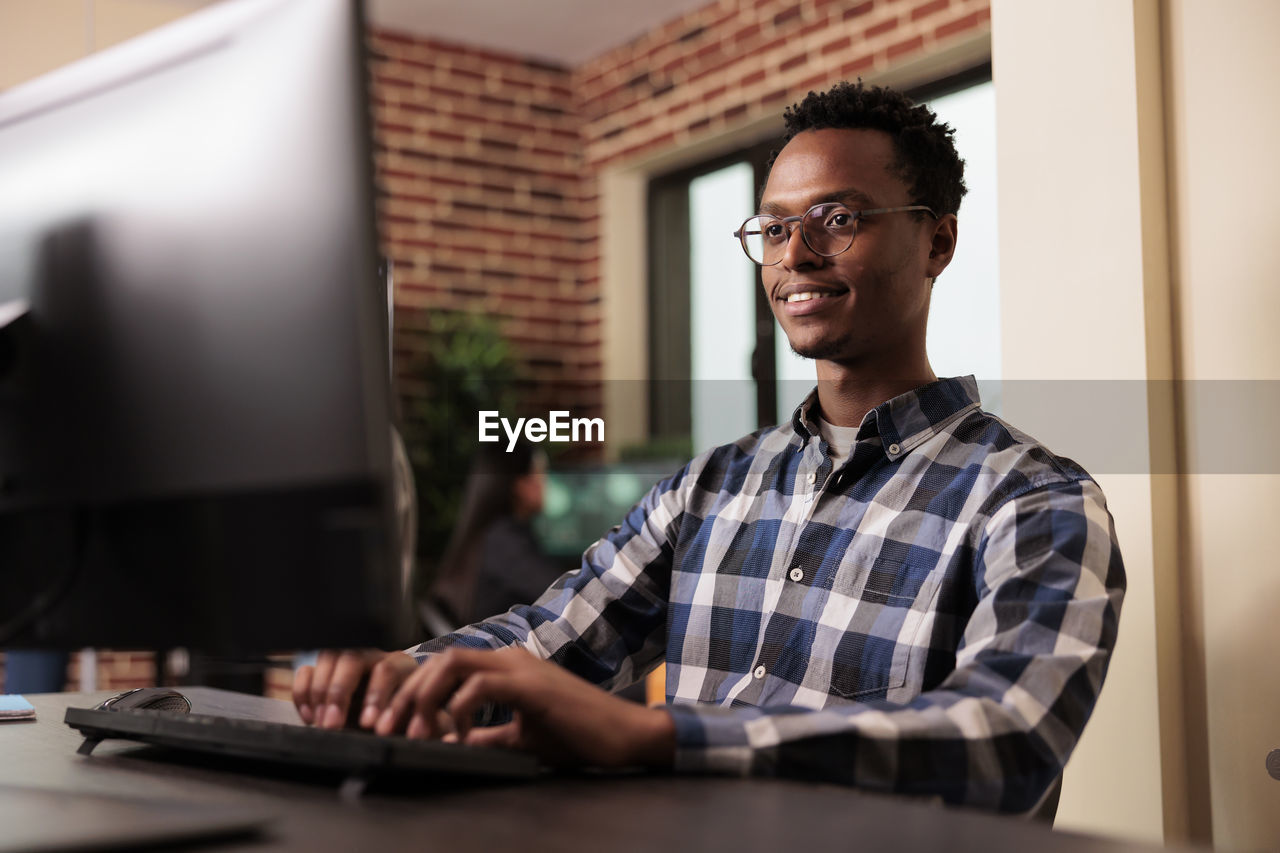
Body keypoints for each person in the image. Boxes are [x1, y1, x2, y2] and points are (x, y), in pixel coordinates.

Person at [294, 80, 1125, 813]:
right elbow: (553, 634)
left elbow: (1006, 737)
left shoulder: (1033, 498)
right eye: (773, 228)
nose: (795, 253)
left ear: (937, 242)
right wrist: (402, 673)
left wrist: (656, 736)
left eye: (837, 219)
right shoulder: (713, 485)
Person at [422, 440, 563, 633]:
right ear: (520, 484)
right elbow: (562, 594)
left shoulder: (492, 533)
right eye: (540, 473)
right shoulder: (504, 541)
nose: (545, 483)